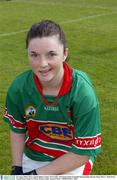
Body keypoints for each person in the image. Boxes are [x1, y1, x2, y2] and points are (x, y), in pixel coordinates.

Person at [3, 19, 102, 175]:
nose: (42, 64)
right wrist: (17, 168)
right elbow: (17, 128)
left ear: (64, 54)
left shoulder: (82, 92)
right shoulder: (19, 88)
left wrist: (36, 176)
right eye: (34, 55)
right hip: (34, 156)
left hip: (71, 159)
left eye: (51, 54)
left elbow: (83, 152)